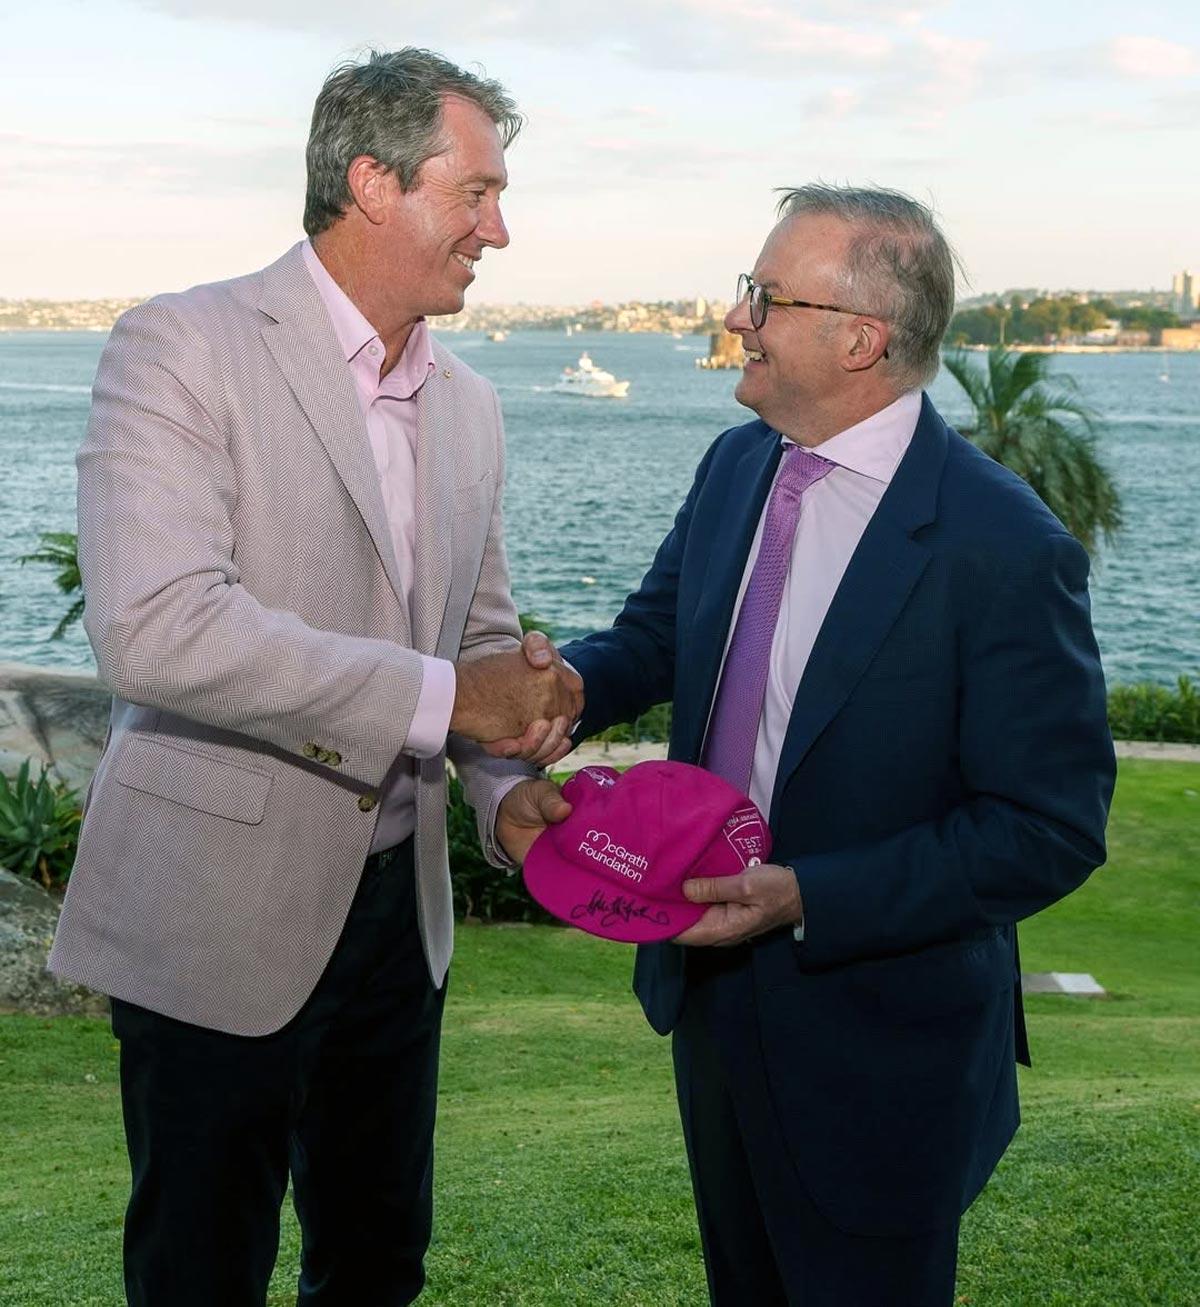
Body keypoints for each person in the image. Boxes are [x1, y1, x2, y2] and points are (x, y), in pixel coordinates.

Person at [48, 48, 578, 1307]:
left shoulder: (474, 408)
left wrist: (505, 787)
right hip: (214, 908)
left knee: (380, 1263)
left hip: (403, 922)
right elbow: (159, 626)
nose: (502, 229)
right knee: (198, 1270)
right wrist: (455, 702)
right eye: (479, 193)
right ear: (371, 183)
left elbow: (477, 640)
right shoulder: (180, 345)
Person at [549, 185, 1116, 1305]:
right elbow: (658, 636)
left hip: (881, 1044)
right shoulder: (735, 465)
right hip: (711, 998)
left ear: (860, 338)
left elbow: (1048, 827)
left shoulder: (1002, 545)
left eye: (763, 295)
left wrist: (805, 892)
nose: (738, 317)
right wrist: (565, 682)